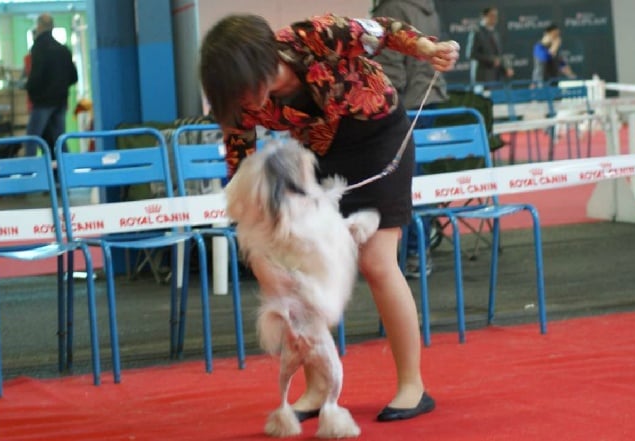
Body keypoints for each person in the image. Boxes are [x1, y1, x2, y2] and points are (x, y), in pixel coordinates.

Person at [199, 13, 459, 421]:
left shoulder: (313, 37)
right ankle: (319, 386)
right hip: (318, 154)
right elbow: (242, 179)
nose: (244, 105)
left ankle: (412, 385)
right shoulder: (236, 104)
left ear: (264, 63)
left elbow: (383, 30)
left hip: (379, 138)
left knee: (376, 262)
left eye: (245, 90)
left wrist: (427, 49)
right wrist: (260, 255)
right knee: (301, 278)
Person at [371, 0, 448, 278]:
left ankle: (412, 252)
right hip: (431, 100)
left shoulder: (391, 9)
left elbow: (390, 74)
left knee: (406, 180)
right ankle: (418, 249)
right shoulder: (427, 7)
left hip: (406, 108)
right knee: (420, 179)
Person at [25, 13, 78, 158]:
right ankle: (66, 174)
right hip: (60, 102)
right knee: (60, 141)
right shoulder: (64, 50)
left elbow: (36, 76)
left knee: (32, 140)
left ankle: (27, 174)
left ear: (40, 26)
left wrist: (30, 90)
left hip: (42, 103)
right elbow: (74, 77)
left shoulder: (38, 49)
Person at [466, 6, 514, 85]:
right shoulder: (476, 32)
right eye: (492, 15)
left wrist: (506, 67)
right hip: (482, 76)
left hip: (496, 76)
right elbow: (471, 54)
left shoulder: (495, 33)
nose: (495, 18)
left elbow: (499, 54)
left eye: (496, 16)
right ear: (484, 16)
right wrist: (491, 60)